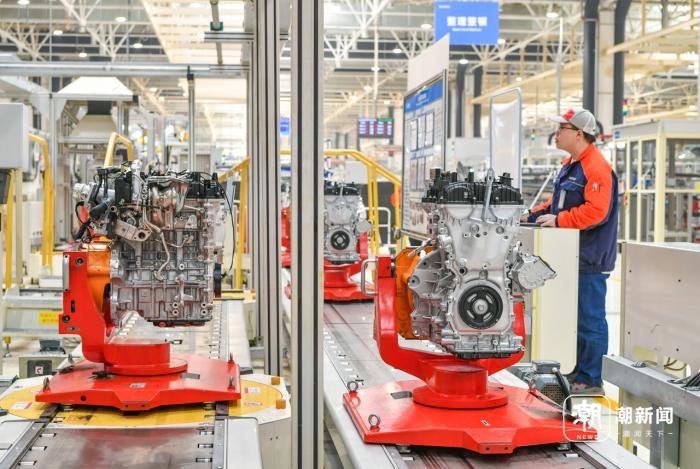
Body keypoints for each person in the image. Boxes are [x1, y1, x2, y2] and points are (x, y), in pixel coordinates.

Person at [524, 108, 618, 395]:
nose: (556, 134)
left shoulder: (596, 167)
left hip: (589, 257)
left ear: (578, 133)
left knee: (589, 319)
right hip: (569, 255)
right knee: (572, 319)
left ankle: (591, 379)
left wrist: (560, 221)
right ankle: (575, 369)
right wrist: (530, 215)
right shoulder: (571, 165)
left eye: (561, 129)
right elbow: (556, 204)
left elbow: (596, 212)